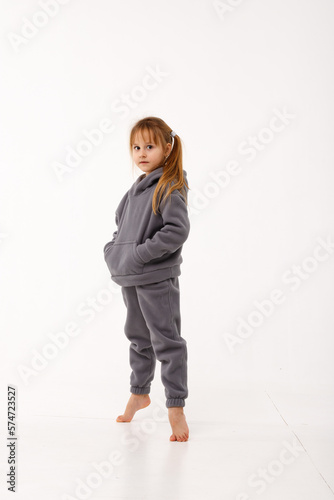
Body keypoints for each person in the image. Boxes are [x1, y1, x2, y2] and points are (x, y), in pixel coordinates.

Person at [103, 116, 191, 442]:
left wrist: (139, 254)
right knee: (138, 337)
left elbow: (177, 231)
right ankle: (140, 392)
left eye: (149, 146)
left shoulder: (169, 186)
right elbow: (120, 225)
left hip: (155, 277)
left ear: (167, 148)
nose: (141, 153)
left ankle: (175, 406)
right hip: (130, 277)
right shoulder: (134, 191)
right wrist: (114, 251)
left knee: (166, 341)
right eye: (136, 147)